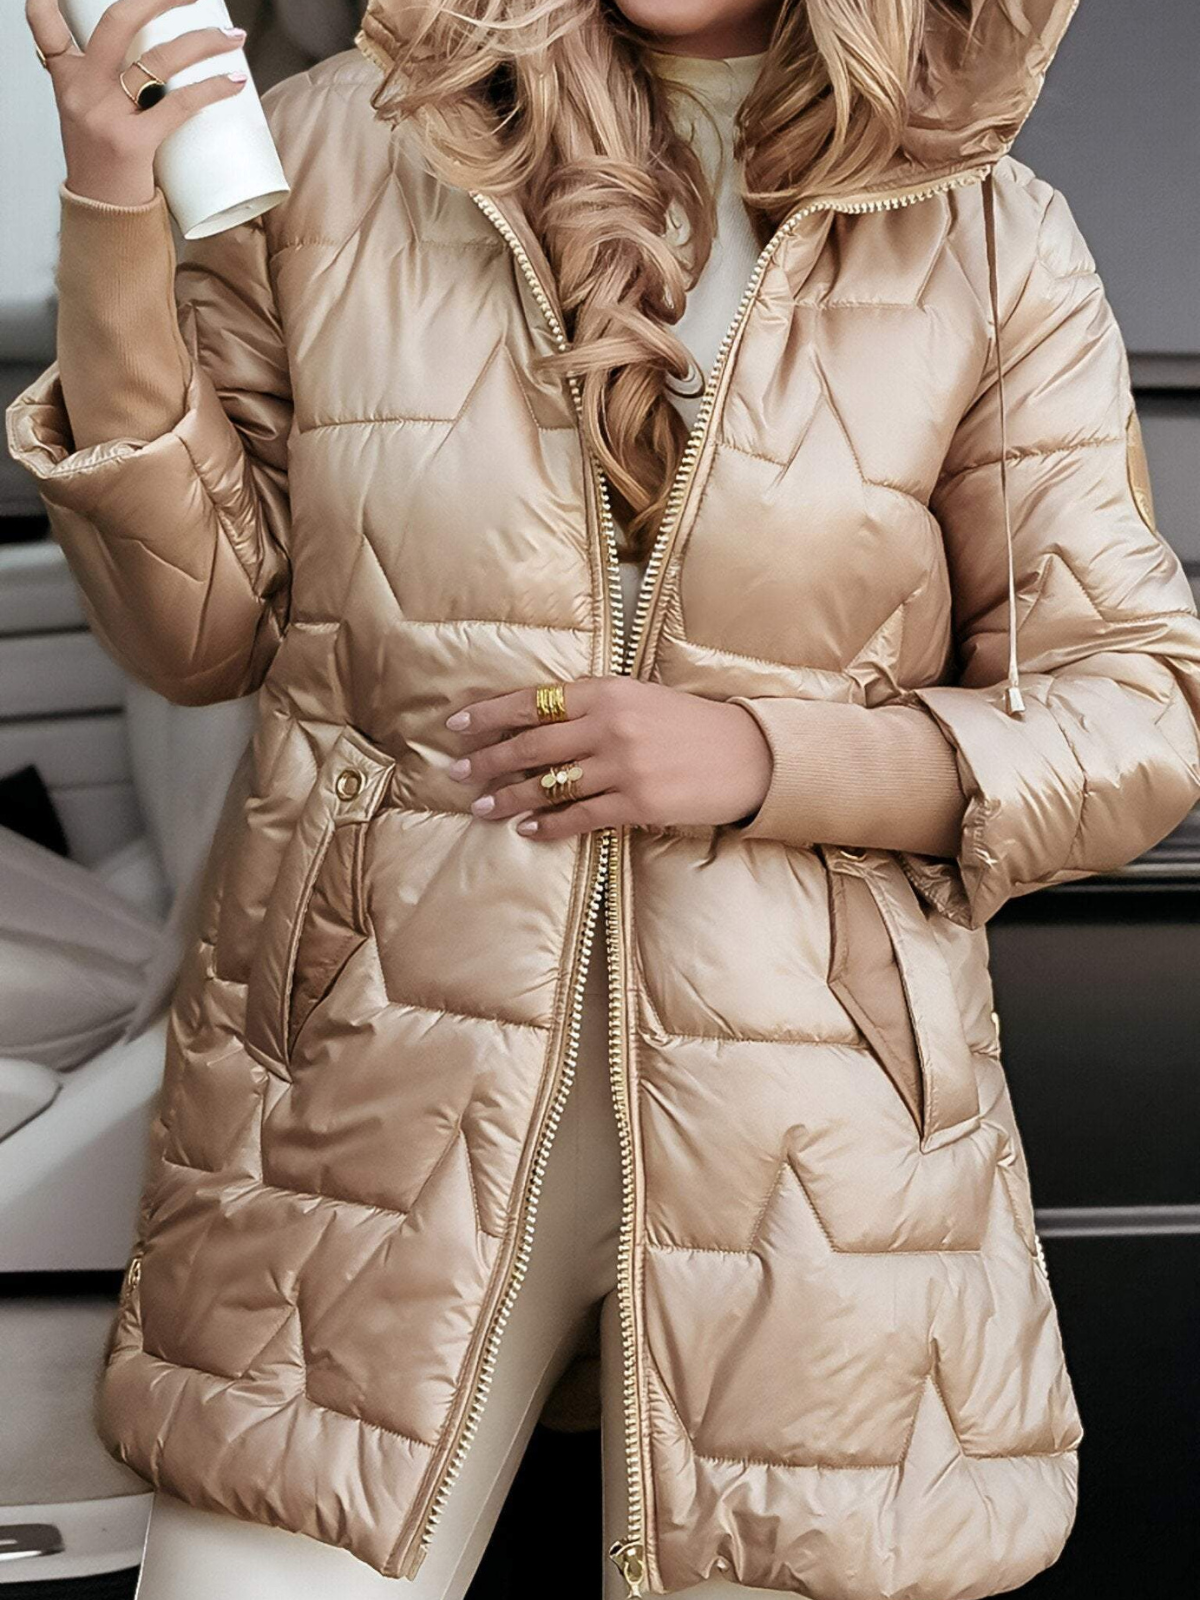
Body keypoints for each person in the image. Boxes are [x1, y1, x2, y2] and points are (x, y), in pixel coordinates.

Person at [10, 1, 1200, 1597]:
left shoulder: (987, 235)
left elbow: (1135, 708)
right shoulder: (344, 145)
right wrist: (109, 214)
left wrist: (764, 758)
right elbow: (197, 632)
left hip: (809, 1151)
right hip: (363, 1105)